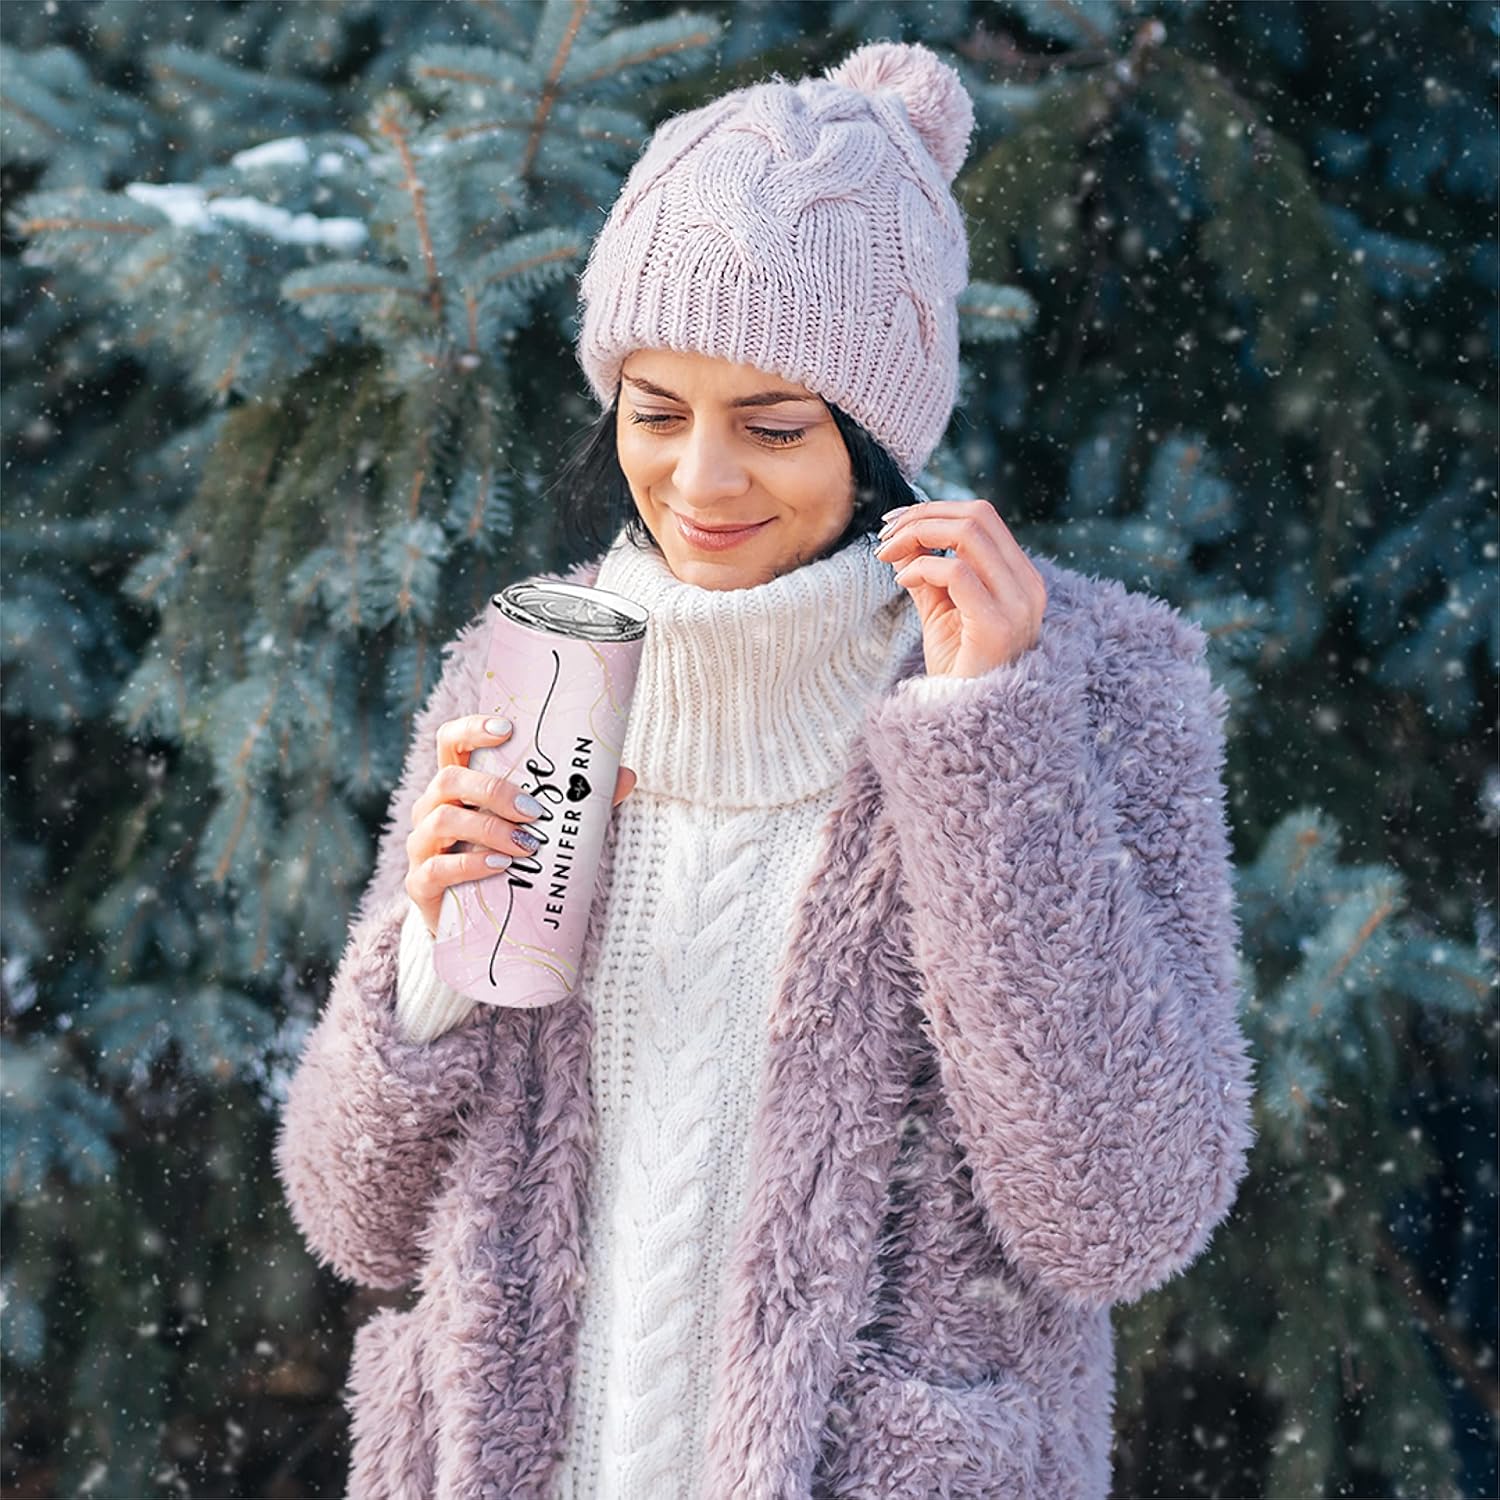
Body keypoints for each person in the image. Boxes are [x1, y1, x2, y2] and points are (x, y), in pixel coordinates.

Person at [274, 39, 1257, 1500]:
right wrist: (428, 974)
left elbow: (1120, 1216)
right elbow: (353, 1219)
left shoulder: (1091, 689)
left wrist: (990, 742)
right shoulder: (536, 667)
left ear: (879, 436)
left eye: (775, 426)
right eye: (656, 413)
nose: (701, 482)